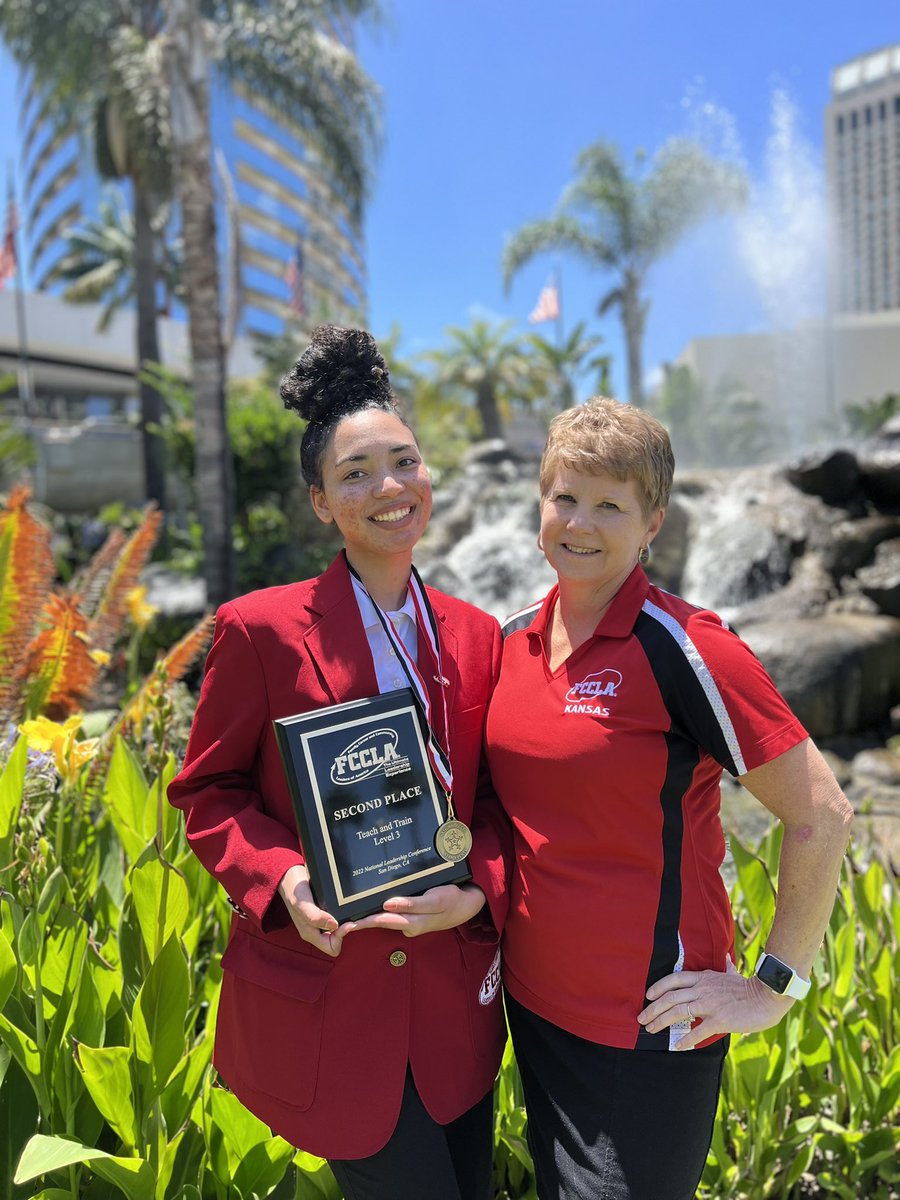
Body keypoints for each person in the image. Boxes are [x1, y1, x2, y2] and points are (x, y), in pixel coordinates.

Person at [168, 326, 510, 1200]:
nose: (388, 488)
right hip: (327, 1000)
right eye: (355, 474)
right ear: (321, 502)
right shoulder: (260, 630)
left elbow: (499, 802)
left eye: (404, 461)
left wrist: (475, 895)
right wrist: (282, 880)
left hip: (454, 1005)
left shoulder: (475, 634)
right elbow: (208, 791)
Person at [484, 397, 854, 1200]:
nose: (580, 522)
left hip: (647, 1031)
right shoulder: (509, 641)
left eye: (610, 505)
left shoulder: (688, 647)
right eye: (565, 497)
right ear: (540, 504)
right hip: (534, 1013)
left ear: (653, 523)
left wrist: (770, 987)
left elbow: (821, 814)